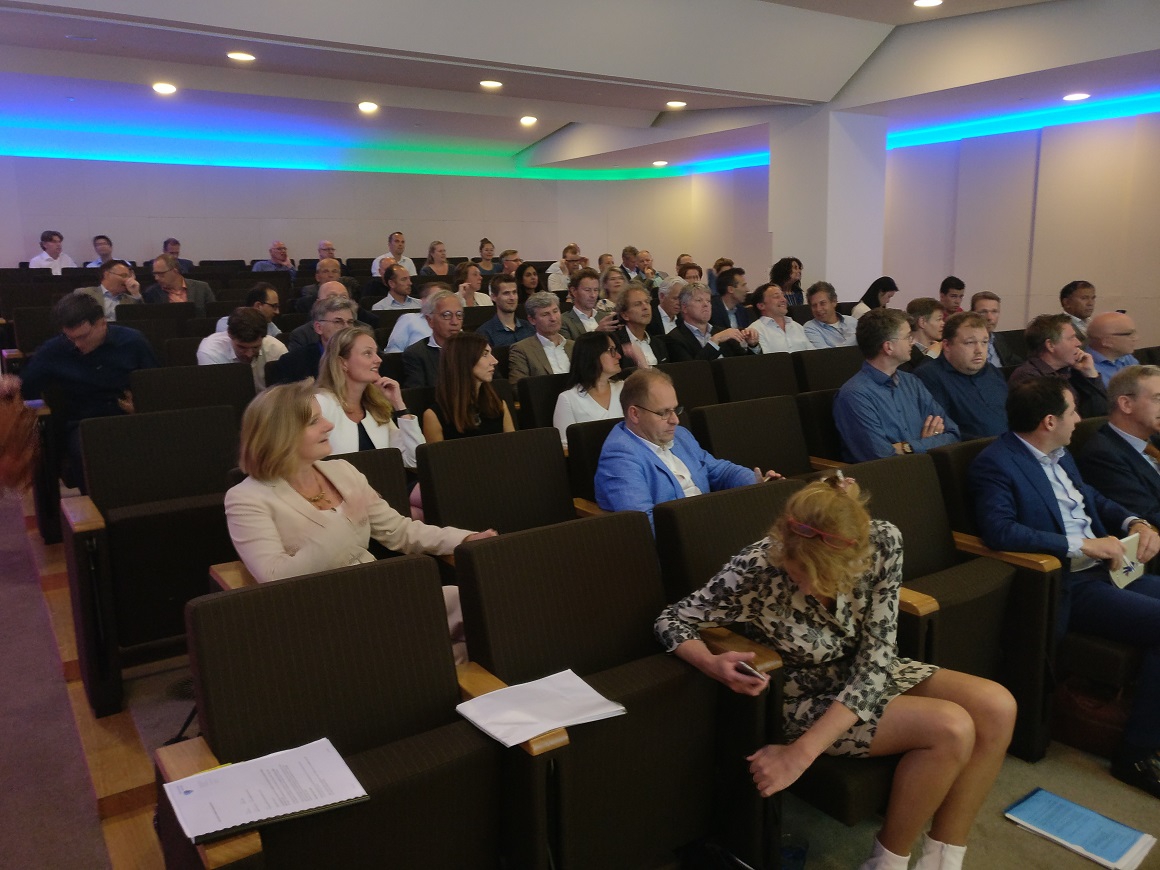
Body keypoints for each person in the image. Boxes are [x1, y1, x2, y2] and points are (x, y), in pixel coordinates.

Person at [655, 475, 1016, 870]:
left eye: (819, 578)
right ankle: (888, 863)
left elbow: (878, 655)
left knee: (998, 705)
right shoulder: (758, 565)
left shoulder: (883, 541)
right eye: (796, 576)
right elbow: (672, 619)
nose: (806, 588)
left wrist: (801, 757)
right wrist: (710, 662)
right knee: (952, 727)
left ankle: (943, 858)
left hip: (868, 671)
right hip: (803, 695)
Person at [970, 377, 1160, 799]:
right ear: (1049, 420)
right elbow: (1000, 531)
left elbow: (1090, 497)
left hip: (1109, 568)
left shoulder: (1060, 452)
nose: (1080, 419)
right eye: (1073, 412)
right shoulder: (997, 462)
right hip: (1068, 580)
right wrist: (1084, 544)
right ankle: (1137, 754)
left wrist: (1134, 522)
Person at [224, 380, 495, 661]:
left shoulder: (342, 471)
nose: (329, 425)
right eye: (315, 421)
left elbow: (399, 530)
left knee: (491, 605)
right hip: (327, 618)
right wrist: (345, 520)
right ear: (281, 435)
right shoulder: (246, 499)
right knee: (453, 654)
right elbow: (276, 578)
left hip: (381, 596)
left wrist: (463, 539)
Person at [2, 293, 157, 489]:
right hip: (83, 423)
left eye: (83, 336)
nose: (77, 344)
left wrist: (143, 407)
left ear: (102, 323)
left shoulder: (133, 342)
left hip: (131, 417)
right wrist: (10, 384)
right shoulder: (55, 350)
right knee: (91, 461)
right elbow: (26, 386)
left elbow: (155, 385)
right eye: (71, 337)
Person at [594, 369, 779, 527]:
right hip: (682, 544)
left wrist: (756, 483)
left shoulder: (680, 435)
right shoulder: (619, 456)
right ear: (635, 414)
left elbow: (718, 470)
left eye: (675, 409)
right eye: (664, 412)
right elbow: (644, 524)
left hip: (714, 523)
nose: (675, 420)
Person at [834, 308, 960, 462]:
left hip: (927, 472)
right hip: (887, 481)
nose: (913, 342)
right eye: (908, 337)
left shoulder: (912, 382)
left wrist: (908, 447)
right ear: (888, 347)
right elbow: (881, 458)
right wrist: (928, 444)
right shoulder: (854, 395)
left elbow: (953, 434)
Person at [315, 325, 422, 465]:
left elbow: (414, 460)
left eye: (376, 353)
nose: (378, 359)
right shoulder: (320, 405)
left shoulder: (376, 407)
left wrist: (399, 405)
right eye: (368, 353)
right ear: (343, 363)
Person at [1077, 365, 1160, 530]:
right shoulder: (1102, 455)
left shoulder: (1154, 439)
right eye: (1158, 398)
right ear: (1126, 404)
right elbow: (1148, 514)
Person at [914, 312, 1008, 439]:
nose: (979, 350)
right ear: (947, 345)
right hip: (968, 453)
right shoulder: (928, 377)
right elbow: (943, 432)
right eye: (970, 343)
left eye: (984, 342)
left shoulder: (991, 371)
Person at [1008, 314, 1107, 417]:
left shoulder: (1072, 371)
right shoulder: (1028, 378)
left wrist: (1091, 375)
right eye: (1071, 338)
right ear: (1050, 345)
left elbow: (1102, 412)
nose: (1078, 343)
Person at [422, 332, 514, 442]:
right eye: (485, 354)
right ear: (464, 361)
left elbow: (513, 449)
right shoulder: (434, 416)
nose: (494, 361)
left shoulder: (498, 405)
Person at [552, 331, 626, 446]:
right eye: (611, 350)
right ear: (593, 355)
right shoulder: (568, 399)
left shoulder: (625, 388)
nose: (618, 356)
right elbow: (566, 447)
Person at [271, 295, 357, 384]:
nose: (347, 328)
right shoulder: (292, 363)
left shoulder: (359, 358)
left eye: (350, 322)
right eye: (338, 322)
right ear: (318, 328)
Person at [665, 282, 760, 362]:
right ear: (684, 308)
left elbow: (745, 364)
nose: (706, 304)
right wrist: (715, 341)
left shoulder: (722, 332)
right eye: (699, 300)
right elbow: (692, 371)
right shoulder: (674, 338)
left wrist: (753, 345)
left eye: (708, 301)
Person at [196, 307, 287, 391]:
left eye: (256, 347)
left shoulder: (277, 349)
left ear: (264, 337)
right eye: (242, 347)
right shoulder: (210, 351)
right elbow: (216, 393)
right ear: (229, 334)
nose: (249, 354)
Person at [507, 291, 574, 384]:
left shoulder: (574, 346)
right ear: (532, 320)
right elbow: (518, 387)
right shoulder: (521, 350)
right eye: (545, 314)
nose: (553, 318)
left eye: (555, 311)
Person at [402, 289, 463, 389]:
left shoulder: (474, 348)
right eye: (447, 315)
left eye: (459, 315)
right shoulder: (416, 354)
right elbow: (417, 395)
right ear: (430, 320)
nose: (455, 322)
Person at [614, 282, 669, 367]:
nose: (645, 307)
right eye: (638, 304)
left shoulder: (658, 344)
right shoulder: (616, 343)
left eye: (647, 302)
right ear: (625, 315)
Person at [143, 254, 216, 317]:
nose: (156, 278)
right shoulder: (152, 292)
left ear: (175, 271)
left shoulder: (202, 288)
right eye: (155, 274)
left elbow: (213, 315)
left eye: (161, 274)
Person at [748, 283, 812, 354]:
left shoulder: (797, 326)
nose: (784, 300)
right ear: (761, 306)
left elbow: (812, 354)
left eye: (783, 296)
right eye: (777, 296)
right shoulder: (755, 330)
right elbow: (764, 360)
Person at [476, 274, 535, 349]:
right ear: (493, 297)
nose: (512, 297)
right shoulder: (484, 333)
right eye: (506, 293)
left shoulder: (529, 327)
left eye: (514, 292)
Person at [384, 282, 444, 354]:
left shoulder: (454, 322)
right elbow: (393, 351)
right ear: (423, 301)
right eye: (436, 298)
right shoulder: (409, 319)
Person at [73, 260, 143, 321]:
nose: (127, 280)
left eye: (129, 277)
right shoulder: (85, 293)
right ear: (107, 274)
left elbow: (142, 317)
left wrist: (135, 293)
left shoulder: (131, 300)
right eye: (124, 275)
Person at [969, 291, 1024, 367]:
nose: (989, 318)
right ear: (972, 314)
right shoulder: (966, 344)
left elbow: (1015, 361)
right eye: (983, 312)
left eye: (994, 311)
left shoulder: (999, 339)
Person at [560, 267, 617, 340]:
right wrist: (597, 333)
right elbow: (570, 349)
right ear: (574, 291)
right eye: (587, 290)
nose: (593, 295)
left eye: (596, 290)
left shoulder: (606, 317)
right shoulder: (564, 321)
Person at [1086, 311, 1140, 386]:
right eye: (1129, 334)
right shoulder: (1086, 368)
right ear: (1107, 342)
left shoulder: (1125, 357)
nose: (1136, 338)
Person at [803, 282, 858, 349]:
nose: (818, 309)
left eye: (822, 303)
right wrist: (856, 338)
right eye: (814, 306)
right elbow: (828, 355)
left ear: (834, 302)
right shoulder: (810, 328)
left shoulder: (852, 321)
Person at [294, 258, 361, 312]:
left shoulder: (348, 298)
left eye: (334, 271)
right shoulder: (305, 302)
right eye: (325, 271)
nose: (330, 275)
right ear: (317, 277)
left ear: (340, 275)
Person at [215, 283, 281, 336]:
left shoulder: (272, 328)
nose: (277, 312)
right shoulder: (225, 324)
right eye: (274, 306)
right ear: (258, 306)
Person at [903, 298, 944, 370]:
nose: (943, 324)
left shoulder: (941, 348)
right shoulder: (905, 352)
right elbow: (914, 378)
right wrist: (931, 355)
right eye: (939, 319)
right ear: (922, 322)